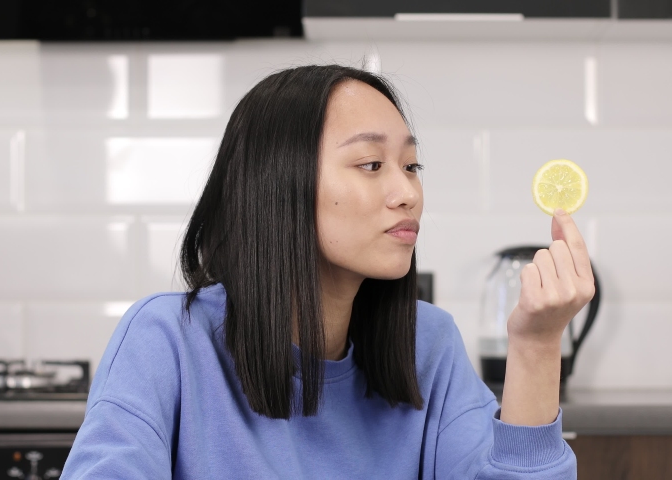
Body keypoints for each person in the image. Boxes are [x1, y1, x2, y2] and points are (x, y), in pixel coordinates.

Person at [61, 64, 593, 479]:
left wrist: (537, 345)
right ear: (279, 183)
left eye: (411, 166)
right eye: (371, 165)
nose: (407, 193)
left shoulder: (428, 346)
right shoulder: (166, 341)